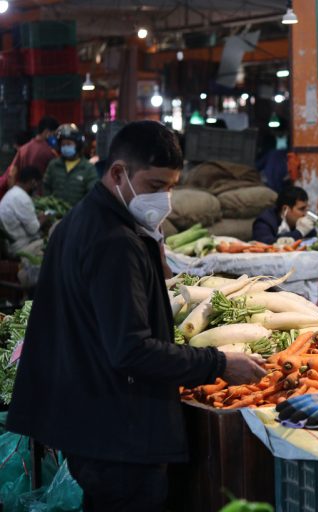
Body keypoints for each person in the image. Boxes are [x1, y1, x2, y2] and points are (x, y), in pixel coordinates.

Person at [7, 121, 267, 511]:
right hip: (119, 432)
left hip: (90, 423)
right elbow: (130, 349)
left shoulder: (80, 221)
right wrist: (218, 362)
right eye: (155, 186)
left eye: (171, 186)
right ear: (118, 173)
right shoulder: (115, 242)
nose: (165, 198)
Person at [0, 117, 59, 198]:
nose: (56, 138)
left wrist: (13, 194)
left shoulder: (23, 149)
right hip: (40, 198)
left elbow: (12, 173)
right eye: (54, 134)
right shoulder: (49, 152)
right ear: (47, 132)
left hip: (22, 195)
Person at [43, 124, 99, 207]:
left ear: (77, 145)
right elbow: (46, 188)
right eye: (63, 144)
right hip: (56, 215)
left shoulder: (88, 168)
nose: (65, 147)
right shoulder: (53, 165)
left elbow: (92, 193)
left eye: (69, 144)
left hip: (78, 216)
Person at [0, 166, 46, 257]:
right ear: (33, 182)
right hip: (18, 248)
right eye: (38, 184)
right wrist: (43, 219)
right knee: (52, 242)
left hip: (9, 244)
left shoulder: (12, 193)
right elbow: (34, 229)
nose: (37, 187)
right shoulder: (23, 198)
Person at [252, 185, 316, 244]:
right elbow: (265, 243)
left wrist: (309, 229)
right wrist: (299, 232)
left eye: (306, 209)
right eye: (301, 209)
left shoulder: (300, 222)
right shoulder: (265, 221)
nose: (305, 214)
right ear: (285, 209)